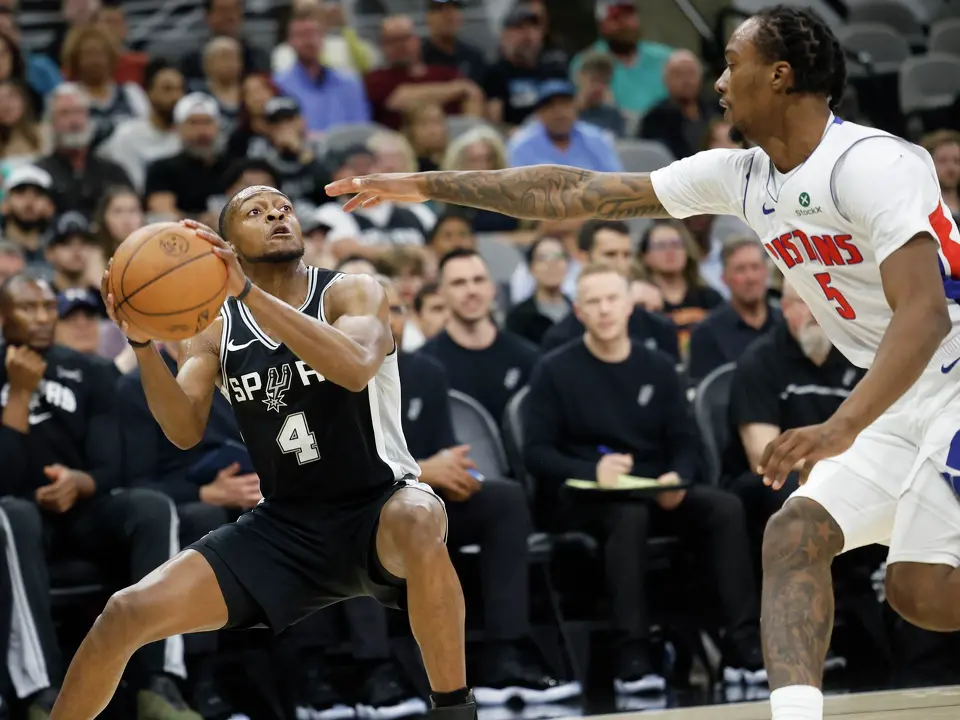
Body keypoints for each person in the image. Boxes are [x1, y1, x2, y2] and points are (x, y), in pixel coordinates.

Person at [325, 7, 960, 720]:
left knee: (923, 587)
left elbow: (926, 314)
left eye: (732, 62)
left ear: (780, 76)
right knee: (803, 537)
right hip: (898, 396)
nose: (719, 82)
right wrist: (431, 184)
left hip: (954, 382)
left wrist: (839, 427)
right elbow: (574, 190)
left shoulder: (873, 163)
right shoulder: (742, 176)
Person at [49, 186, 474, 720]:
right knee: (124, 611)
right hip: (285, 526)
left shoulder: (352, 292)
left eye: (284, 208)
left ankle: (454, 710)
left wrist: (248, 292)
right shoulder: (214, 328)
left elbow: (354, 366)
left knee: (420, 516)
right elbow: (183, 429)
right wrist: (141, 345)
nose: (277, 213)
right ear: (226, 244)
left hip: (376, 506)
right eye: (256, 211)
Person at [523, 263, 764, 692]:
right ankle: (631, 651)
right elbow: (536, 452)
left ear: (630, 305)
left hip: (656, 488)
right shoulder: (553, 369)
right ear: (578, 311)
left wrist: (679, 478)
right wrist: (590, 472)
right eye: (593, 302)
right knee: (628, 516)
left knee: (724, 507)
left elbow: (686, 440)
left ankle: (743, 642)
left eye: (612, 299)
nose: (604, 310)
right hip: (588, 498)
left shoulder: (657, 366)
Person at [0, 273, 195, 719]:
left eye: (48, 307)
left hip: (84, 515)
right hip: (19, 527)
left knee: (151, 506)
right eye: (27, 308)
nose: (42, 318)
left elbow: (112, 468)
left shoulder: (93, 372)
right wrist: (19, 398)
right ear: (3, 316)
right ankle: (40, 694)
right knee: (12, 513)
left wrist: (78, 482)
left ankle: (158, 685)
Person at [383, 274, 580, 705]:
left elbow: (443, 457)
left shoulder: (427, 371)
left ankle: (505, 653)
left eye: (395, 309)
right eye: (372, 310)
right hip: (364, 509)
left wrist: (447, 473)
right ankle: (373, 670)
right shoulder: (326, 377)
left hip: (419, 501)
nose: (385, 319)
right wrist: (422, 470)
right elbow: (343, 470)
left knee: (504, 499)